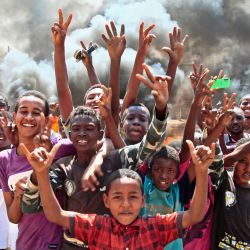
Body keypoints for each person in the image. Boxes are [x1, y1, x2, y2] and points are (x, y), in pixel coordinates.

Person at [21, 139, 215, 249]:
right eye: (117, 197)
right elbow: (55, 215)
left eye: (132, 196)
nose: (125, 204)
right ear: (106, 200)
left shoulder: (156, 227)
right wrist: (41, 173)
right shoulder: (96, 226)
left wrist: (202, 170)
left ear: (143, 200)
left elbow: (194, 215)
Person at [0, 90, 75, 250]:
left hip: (55, 244)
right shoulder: (4, 159)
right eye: (23, 111)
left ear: (47, 119)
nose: (28, 117)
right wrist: (19, 196)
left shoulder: (58, 148)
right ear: (14, 116)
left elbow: (97, 143)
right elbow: (13, 218)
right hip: (23, 245)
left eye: (36, 112)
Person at [211, 138, 250, 249]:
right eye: (243, 160)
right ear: (235, 159)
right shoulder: (224, 181)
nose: (248, 168)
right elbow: (218, 162)